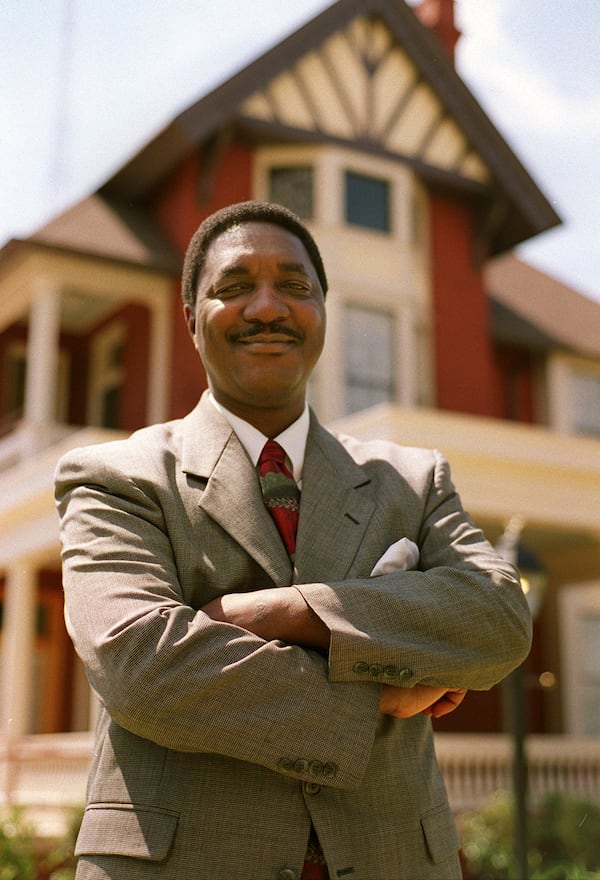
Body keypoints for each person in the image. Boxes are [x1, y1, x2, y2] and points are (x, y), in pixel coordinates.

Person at [55, 200, 531, 880]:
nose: (268, 308)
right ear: (191, 320)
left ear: (324, 316)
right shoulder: (116, 479)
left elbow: (499, 618)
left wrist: (286, 612)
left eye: (296, 286)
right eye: (235, 286)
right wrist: (375, 693)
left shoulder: (413, 480)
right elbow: (140, 665)